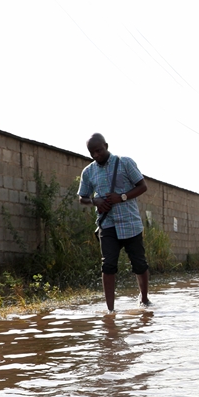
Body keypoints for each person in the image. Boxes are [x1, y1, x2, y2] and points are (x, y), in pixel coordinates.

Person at [78, 133, 151, 312]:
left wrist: (122, 197)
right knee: (108, 265)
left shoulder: (125, 163)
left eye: (99, 150)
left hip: (130, 223)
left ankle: (144, 299)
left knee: (139, 264)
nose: (96, 155)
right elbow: (82, 197)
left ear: (106, 146)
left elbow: (142, 186)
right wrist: (95, 201)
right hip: (107, 225)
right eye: (92, 152)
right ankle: (110, 311)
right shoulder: (88, 172)